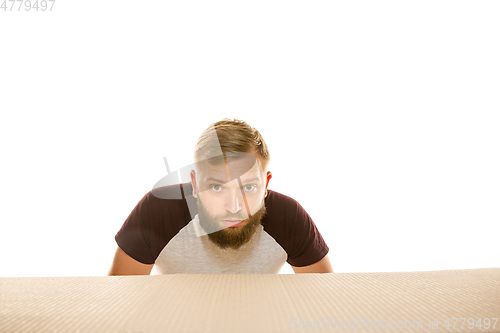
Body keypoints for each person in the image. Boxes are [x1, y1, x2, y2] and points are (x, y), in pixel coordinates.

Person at [108, 119, 333, 275]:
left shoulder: (289, 217)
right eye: (217, 187)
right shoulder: (158, 210)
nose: (234, 207)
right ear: (195, 184)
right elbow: (120, 303)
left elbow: (324, 301)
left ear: (266, 184)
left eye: (249, 187)